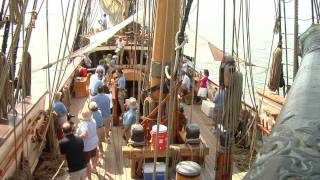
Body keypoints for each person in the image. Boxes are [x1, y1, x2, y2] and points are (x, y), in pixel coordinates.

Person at [76, 109, 98, 180]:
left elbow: (85, 134)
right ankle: (94, 168)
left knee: (87, 162)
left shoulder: (84, 124)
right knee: (94, 156)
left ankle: (89, 178)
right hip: (94, 141)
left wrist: (77, 138)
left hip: (87, 145)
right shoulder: (93, 120)